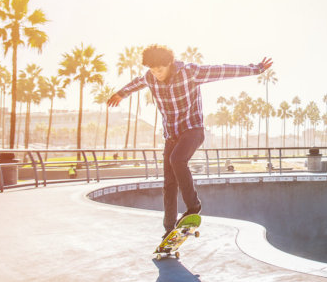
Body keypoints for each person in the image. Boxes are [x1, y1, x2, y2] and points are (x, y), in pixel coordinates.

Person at [107, 44, 272, 238]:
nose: (156, 74)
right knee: (168, 184)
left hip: (193, 130)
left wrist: (256, 68)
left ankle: (193, 206)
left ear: (169, 64)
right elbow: (137, 83)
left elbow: (222, 71)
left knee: (177, 160)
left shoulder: (190, 73)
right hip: (171, 136)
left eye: (160, 69)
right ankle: (169, 229)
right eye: (152, 70)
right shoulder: (150, 77)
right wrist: (121, 93)